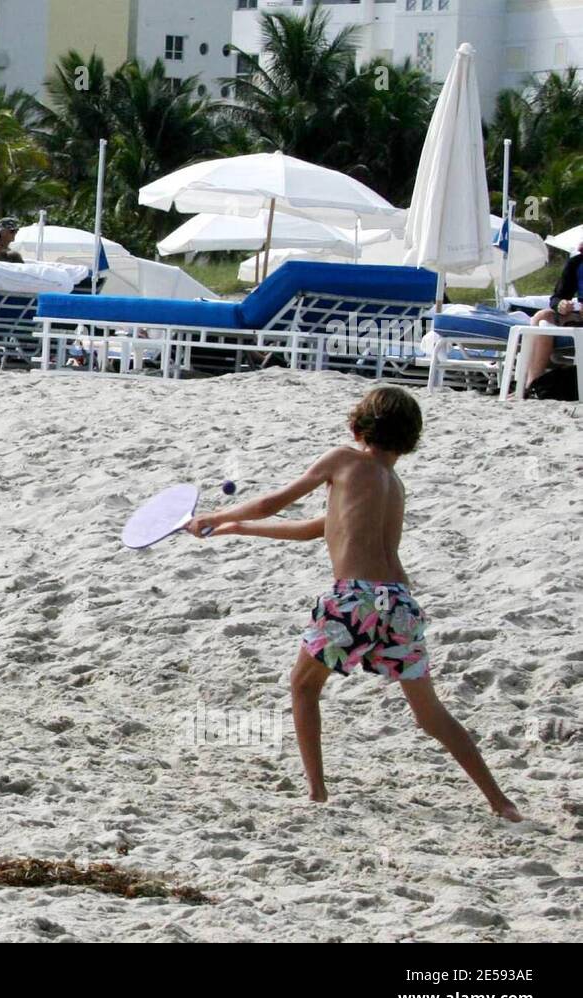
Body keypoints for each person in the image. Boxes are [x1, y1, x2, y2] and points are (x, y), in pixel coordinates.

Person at [186, 386, 522, 822]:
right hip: (399, 602)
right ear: (410, 438)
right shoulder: (393, 484)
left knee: (303, 688)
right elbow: (315, 528)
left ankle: (317, 793)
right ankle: (501, 801)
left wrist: (215, 515)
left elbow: (274, 502)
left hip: (355, 598)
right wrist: (237, 529)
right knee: (430, 714)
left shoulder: (344, 459)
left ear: (358, 425)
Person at [524, 242, 583, 392]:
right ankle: (532, 384)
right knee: (543, 317)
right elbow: (556, 298)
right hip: (580, 318)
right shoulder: (577, 262)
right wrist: (561, 305)